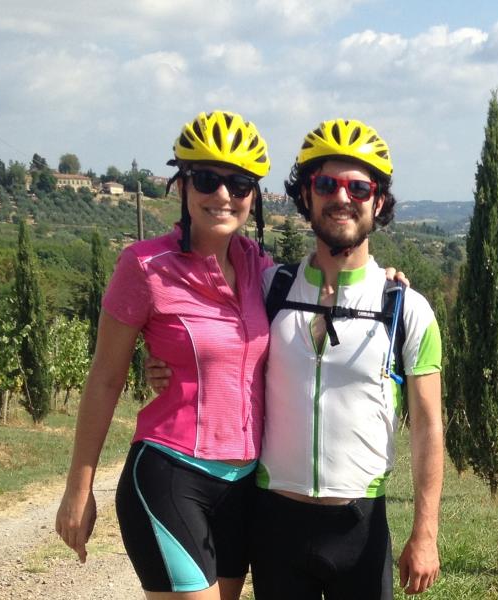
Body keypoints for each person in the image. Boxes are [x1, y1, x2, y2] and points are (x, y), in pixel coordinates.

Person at [149, 118, 444, 598]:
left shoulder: (405, 308)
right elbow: (204, 338)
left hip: (360, 527)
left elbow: (430, 426)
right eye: (325, 184)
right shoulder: (268, 286)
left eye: (359, 186)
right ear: (305, 196)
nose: (341, 197)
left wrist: (425, 532)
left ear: (380, 201)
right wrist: (160, 359)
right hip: (275, 525)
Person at [55, 110, 273, 600]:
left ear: (253, 196)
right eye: (207, 179)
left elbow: (319, 295)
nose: (223, 195)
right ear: (182, 186)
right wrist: (78, 488)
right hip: (170, 474)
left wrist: (381, 281)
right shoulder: (144, 266)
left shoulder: (261, 269)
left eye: (239, 185)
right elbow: (105, 378)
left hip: (244, 485)